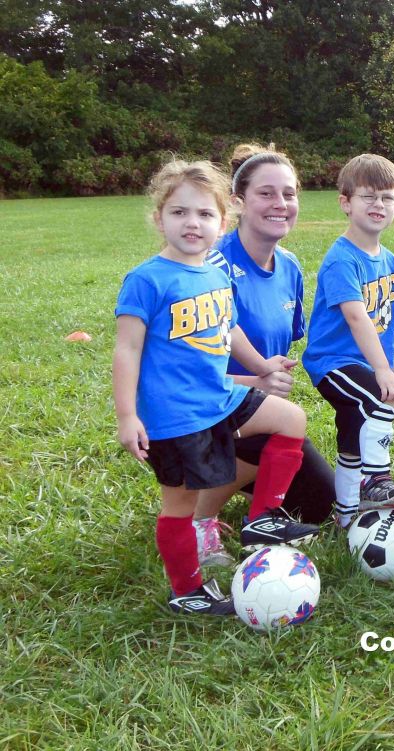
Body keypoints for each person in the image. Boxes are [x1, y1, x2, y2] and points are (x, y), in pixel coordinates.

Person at [113, 159, 312, 616]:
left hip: (219, 397)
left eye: (204, 214)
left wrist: (261, 367)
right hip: (176, 414)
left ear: (223, 222)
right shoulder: (147, 280)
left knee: (291, 420)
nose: (192, 223)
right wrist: (128, 416)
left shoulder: (215, 272)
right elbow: (127, 351)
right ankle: (187, 591)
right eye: (179, 212)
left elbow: (231, 328)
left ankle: (262, 519)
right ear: (158, 217)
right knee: (180, 506)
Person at [192, 143, 335, 568]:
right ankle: (199, 518)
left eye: (289, 194)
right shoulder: (210, 266)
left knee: (317, 504)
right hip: (201, 414)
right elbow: (192, 373)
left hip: (254, 416)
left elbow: (284, 350)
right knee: (269, 430)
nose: (280, 204)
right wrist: (256, 380)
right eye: (266, 194)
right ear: (237, 202)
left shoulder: (289, 267)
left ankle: (246, 498)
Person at [303, 154, 394, 529]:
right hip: (332, 361)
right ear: (346, 202)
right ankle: (377, 481)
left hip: (366, 362)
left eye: (386, 197)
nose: (378, 205)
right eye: (368, 197)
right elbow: (356, 316)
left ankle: (347, 513)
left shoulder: (390, 259)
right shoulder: (342, 259)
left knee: (353, 432)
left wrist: (391, 364)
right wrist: (381, 371)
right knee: (375, 398)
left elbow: (387, 321)